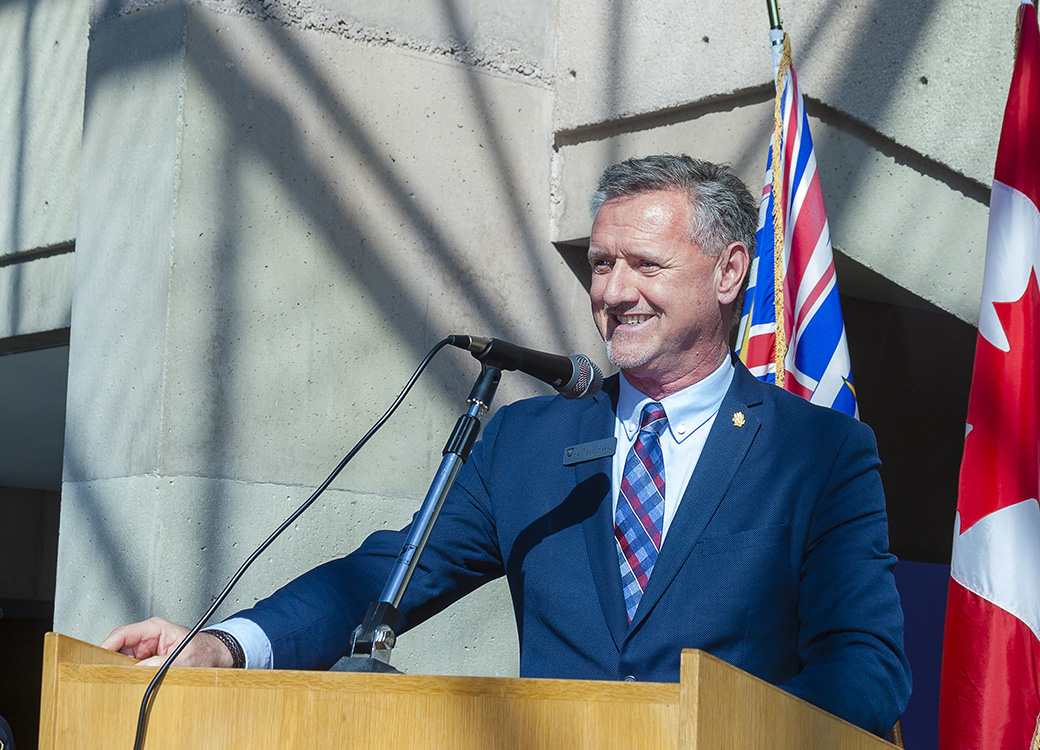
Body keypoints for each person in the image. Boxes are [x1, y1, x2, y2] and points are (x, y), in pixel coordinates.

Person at [103, 154, 911, 735]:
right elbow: (386, 572)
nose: (613, 291)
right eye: (600, 264)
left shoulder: (821, 453)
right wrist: (226, 646)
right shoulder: (526, 440)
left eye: (645, 264)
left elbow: (866, 667)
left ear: (730, 272)